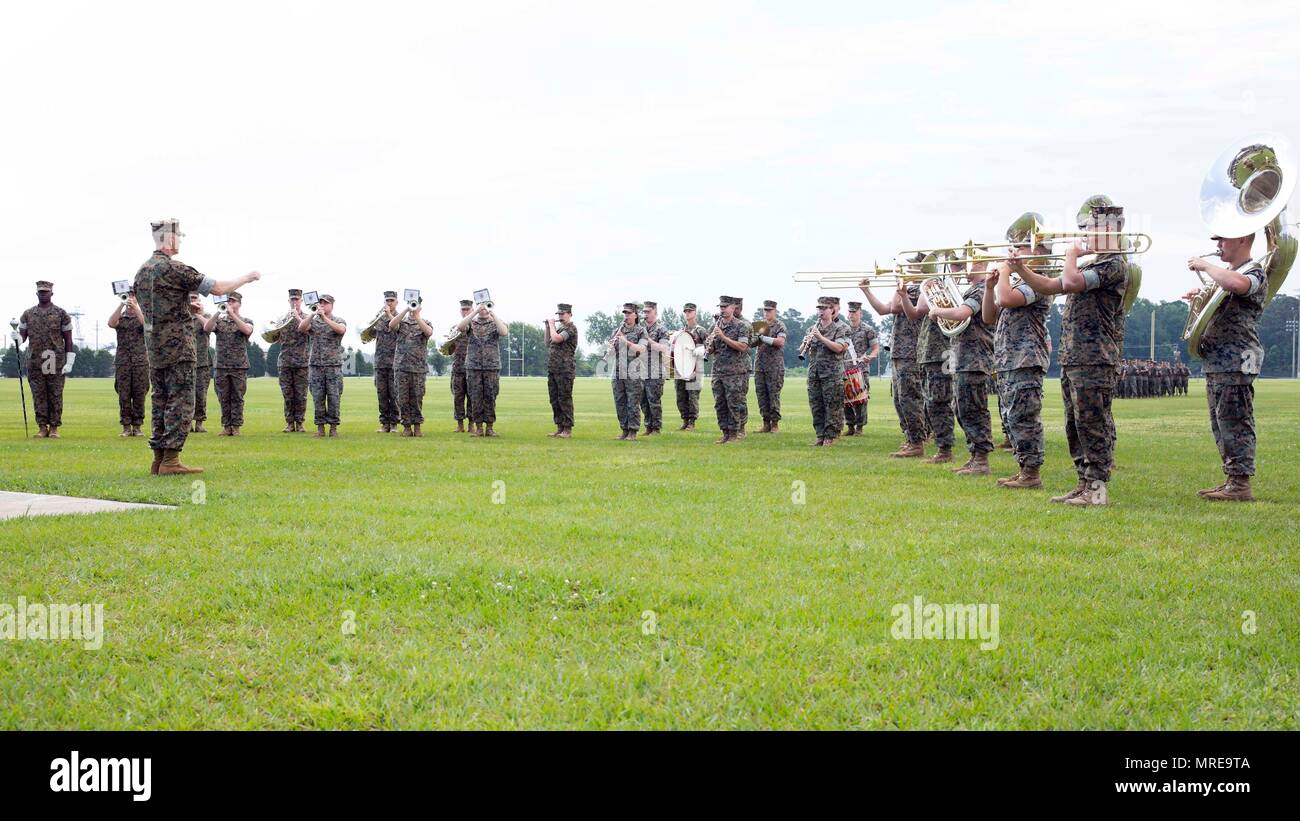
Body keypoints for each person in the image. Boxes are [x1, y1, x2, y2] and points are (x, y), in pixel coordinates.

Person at [1016, 204, 1129, 504]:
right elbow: (1051, 285)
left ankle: (1097, 490)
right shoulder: (1093, 264)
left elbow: (1069, 282)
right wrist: (1021, 269)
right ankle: (1084, 483)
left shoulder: (1113, 264)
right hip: (1076, 357)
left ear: (1108, 230)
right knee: (1076, 425)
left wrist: (1070, 256)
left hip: (1096, 359)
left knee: (1094, 425)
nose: (1085, 234)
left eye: (1091, 227)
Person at [133, 218, 260, 474]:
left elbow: (155, 307)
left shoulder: (142, 271)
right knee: (180, 402)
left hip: (155, 349)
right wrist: (247, 277)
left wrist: (184, 307)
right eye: (178, 236)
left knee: (160, 400)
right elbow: (219, 288)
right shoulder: (175, 269)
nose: (179, 240)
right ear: (169, 239)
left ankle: (158, 460)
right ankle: (171, 461)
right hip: (178, 348)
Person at [1183, 231, 1269, 501]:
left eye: (1223, 240)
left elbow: (1240, 284)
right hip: (1219, 360)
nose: (1218, 246)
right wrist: (1198, 299)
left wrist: (1207, 266)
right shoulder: (1228, 276)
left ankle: (1241, 485)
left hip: (1237, 358)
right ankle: (1232, 479)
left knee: (1236, 420)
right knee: (1221, 423)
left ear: (1242, 240)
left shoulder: (1254, 271)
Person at [991, 217, 1053, 486]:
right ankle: (1023, 468)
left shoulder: (1039, 280)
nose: (1015, 251)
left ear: (1038, 251)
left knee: (1024, 417)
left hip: (1026, 358)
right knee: (1011, 416)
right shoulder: (1018, 281)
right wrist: (987, 285)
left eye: (1022, 246)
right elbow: (988, 315)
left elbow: (1006, 299)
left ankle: (1031, 473)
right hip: (1009, 359)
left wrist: (1005, 270)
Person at [922, 259, 994, 471]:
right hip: (962, 357)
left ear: (982, 266)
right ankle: (975, 456)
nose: (964, 268)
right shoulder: (971, 290)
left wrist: (937, 311)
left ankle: (981, 459)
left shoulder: (980, 290)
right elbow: (955, 319)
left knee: (973, 408)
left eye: (969, 264)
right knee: (962, 408)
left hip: (975, 357)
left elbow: (962, 314)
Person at [860, 269, 926, 456]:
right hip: (899, 352)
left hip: (911, 352)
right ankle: (910, 438)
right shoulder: (905, 290)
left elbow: (897, 306)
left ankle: (917, 442)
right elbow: (883, 309)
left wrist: (900, 283)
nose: (906, 271)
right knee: (899, 399)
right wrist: (867, 291)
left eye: (911, 268)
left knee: (909, 399)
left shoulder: (919, 290)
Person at [904, 264, 956, 461]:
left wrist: (927, 284)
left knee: (940, 401)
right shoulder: (933, 290)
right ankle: (942, 447)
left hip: (941, 353)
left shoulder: (947, 288)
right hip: (928, 354)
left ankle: (945, 449)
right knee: (932, 403)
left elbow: (924, 308)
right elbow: (916, 312)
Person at [17, 281, 75, 439]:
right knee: (39, 395)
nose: (43, 294)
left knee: (55, 394)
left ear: (51, 293)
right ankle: (42, 427)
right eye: (41, 292)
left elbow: (68, 339)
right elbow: (23, 336)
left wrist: (69, 361)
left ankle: (54, 427)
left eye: (46, 291)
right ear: (36, 293)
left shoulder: (61, 313)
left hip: (55, 360)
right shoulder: (28, 314)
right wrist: (17, 338)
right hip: (35, 360)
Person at [456, 300, 508, 437]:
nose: (484, 309)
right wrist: (475, 312)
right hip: (473, 366)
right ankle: (479, 428)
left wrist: (492, 313)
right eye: (482, 306)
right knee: (475, 397)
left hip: (491, 366)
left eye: (487, 306)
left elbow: (503, 332)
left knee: (490, 397)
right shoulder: (471, 323)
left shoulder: (496, 322)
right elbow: (460, 327)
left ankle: (490, 427)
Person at [299, 295, 347, 437]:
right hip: (316, 366)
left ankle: (333, 428)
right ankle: (320, 428)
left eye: (325, 303)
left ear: (332, 305)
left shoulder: (338, 320)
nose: (322, 306)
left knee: (334, 398)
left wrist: (325, 318)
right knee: (317, 397)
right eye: (321, 303)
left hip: (333, 366)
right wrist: (312, 315)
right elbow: (301, 327)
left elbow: (341, 330)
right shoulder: (313, 322)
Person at [206, 292, 253, 436]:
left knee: (237, 397)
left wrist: (232, 314)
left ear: (239, 303)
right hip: (221, 366)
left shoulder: (246, 320)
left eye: (233, 301)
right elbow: (207, 328)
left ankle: (236, 426)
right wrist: (217, 312)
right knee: (223, 397)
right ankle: (226, 426)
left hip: (239, 366)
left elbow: (246, 330)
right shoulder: (220, 321)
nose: (230, 303)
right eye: (229, 301)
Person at [804, 296, 849, 446]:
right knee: (816, 404)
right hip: (815, 372)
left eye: (824, 308)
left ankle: (831, 436)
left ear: (833, 310)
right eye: (819, 308)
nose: (821, 311)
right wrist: (806, 344)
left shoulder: (842, 329)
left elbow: (839, 348)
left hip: (832, 374)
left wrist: (821, 337)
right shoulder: (812, 328)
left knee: (833, 405)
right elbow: (807, 352)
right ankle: (820, 435)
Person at [706, 296, 751, 444]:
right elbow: (712, 350)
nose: (722, 310)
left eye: (725, 307)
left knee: (734, 403)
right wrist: (709, 344)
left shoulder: (741, 326)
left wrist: (723, 337)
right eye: (721, 307)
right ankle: (724, 432)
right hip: (718, 371)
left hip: (734, 372)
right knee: (720, 403)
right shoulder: (716, 327)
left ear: (733, 308)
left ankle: (734, 433)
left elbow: (743, 347)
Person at [388, 296, 433, 436]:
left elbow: (428, 332)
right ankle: (407, 427)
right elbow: (391, 325)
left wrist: (417, 316)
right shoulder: (402, 322)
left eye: (415, 304)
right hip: (401, 367)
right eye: (411, 303)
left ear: (421, 306)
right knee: (402, 398)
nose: (413, 306)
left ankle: (418, 426)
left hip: (418, 368)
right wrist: (406, 310)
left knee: (417, 397)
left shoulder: (425, 322)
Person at [108, 287, 148, 437]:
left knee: (139, 394)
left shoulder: (142, 315)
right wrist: (121, 305)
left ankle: (137, 426)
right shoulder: (121, 317)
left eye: (133, 295)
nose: (130, 298)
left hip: (140, 362)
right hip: (123, 362)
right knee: (123, 395)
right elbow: (111, 323)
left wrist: (136, 307)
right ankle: (125, 427)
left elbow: (147, 325)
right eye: (128, 295)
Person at [609, 302, 648, 440]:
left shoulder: (641, 331)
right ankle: (624, 429)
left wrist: (625, 341)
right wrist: (612, 345)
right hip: (619, 370)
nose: (626, 316)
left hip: (634, 372)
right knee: (620, 401)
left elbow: (641, 349)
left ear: (635, 315)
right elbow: (612, 352)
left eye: (628, 313)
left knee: (633, 402)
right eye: (624, 313)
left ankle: (633, 431)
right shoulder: (618, 330)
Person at [841, 301, 879, 436]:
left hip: (861, 368)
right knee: (845, 397)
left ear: (860, 313)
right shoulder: (843, 329)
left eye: (854, 312)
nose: (851, 315)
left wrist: (871, 356)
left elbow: (875, 348)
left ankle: (860, 427)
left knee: (861, 398)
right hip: (844, 367)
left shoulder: (867, 329)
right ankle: (850, 425)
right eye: (850, 312)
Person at [276, 289, 310, 432]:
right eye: (292, 299)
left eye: (297, 299)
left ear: (301, 301)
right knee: (288, 394)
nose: (294, 302)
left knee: (301, 395)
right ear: (288, 301)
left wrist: (297, 317)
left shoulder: (307, 317)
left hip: (302, 362)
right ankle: (290, 423)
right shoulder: (282, 319)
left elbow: (309, 331)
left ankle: (300, 423)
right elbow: (277, 338)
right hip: (285, 362)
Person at [368, 291, 401, 433]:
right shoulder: (379, 317)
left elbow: (398, 329)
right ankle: (384, 423)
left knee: (394, 394)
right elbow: (369, 334)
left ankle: (394, 423)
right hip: (380, 362)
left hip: (395, 361)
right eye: (387, 300)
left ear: (397, 302)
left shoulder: (401, 317)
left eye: (392, 300)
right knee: (381, 394)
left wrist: (389, 315)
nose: (389, 303)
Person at [638, 301, 672, 436]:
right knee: (643, 402)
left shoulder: (661, 329)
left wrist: (649, 341)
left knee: (654, 401)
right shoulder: (640, 329)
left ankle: (656, 428)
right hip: (641, 370)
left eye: (648, 312)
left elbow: (663, 348)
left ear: (655, 313)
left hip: (656, 371)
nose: (645, 314)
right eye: (644, 312)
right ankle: (648, 426)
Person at [753, 299, 787, 433]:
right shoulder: (760, 325)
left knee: (773, 395)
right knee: (762, 395)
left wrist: (763, 338)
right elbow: (752, 343)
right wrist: (755, 337)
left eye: (769, 310)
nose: (766, 313)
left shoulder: (780, 325)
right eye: (765, 310)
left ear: (775, 311)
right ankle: (765, 423)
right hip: (760, 366)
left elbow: (780, 342)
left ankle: (774, 424)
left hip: (774, 367)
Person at [545, 303, 578, 438]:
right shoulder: (558, 328)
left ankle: (567, 428)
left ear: (569, 314)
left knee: (564, 399)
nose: (560, 316)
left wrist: (552, 325)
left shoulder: (571, 328)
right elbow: (548, 342)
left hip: (565, 370)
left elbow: (557, 339)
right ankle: (559, 426)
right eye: (558, 314)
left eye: (562, 314)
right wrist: (548, 327)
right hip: (553, 369)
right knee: (554, 399)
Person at [673, 303, 708, 431]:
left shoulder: (700, 330)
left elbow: (709, 346)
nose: (687, 313)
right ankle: (685, 420)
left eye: (690, 311)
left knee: (692, 395)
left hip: (695, 368)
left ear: (695, 312)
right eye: (686, 311)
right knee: (680, 395)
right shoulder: (681, 331)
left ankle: (692, 422)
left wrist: (699, 349)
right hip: (681, 367)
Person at [190, 293, 213, 433]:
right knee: (185, 395)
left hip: (202, 362)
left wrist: (198, 314)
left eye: (195, 298)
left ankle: (199, 423)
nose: (193, 300)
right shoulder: (181, 315)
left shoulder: (206, 316)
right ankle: (186, 423)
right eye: (191, 298)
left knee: (200, 394)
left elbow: (209, 328)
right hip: (184, 361)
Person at [449, 299, 472, 432]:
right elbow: (450, 350)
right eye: (463, 309)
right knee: (458, 397)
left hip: (472, 368)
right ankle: (460, 425)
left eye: (467, 309)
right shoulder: (455, 327)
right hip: (458, 367)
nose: (465, 312)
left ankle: (471, 424)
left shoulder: (476, 327)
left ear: (472, 310)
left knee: (472, 397)